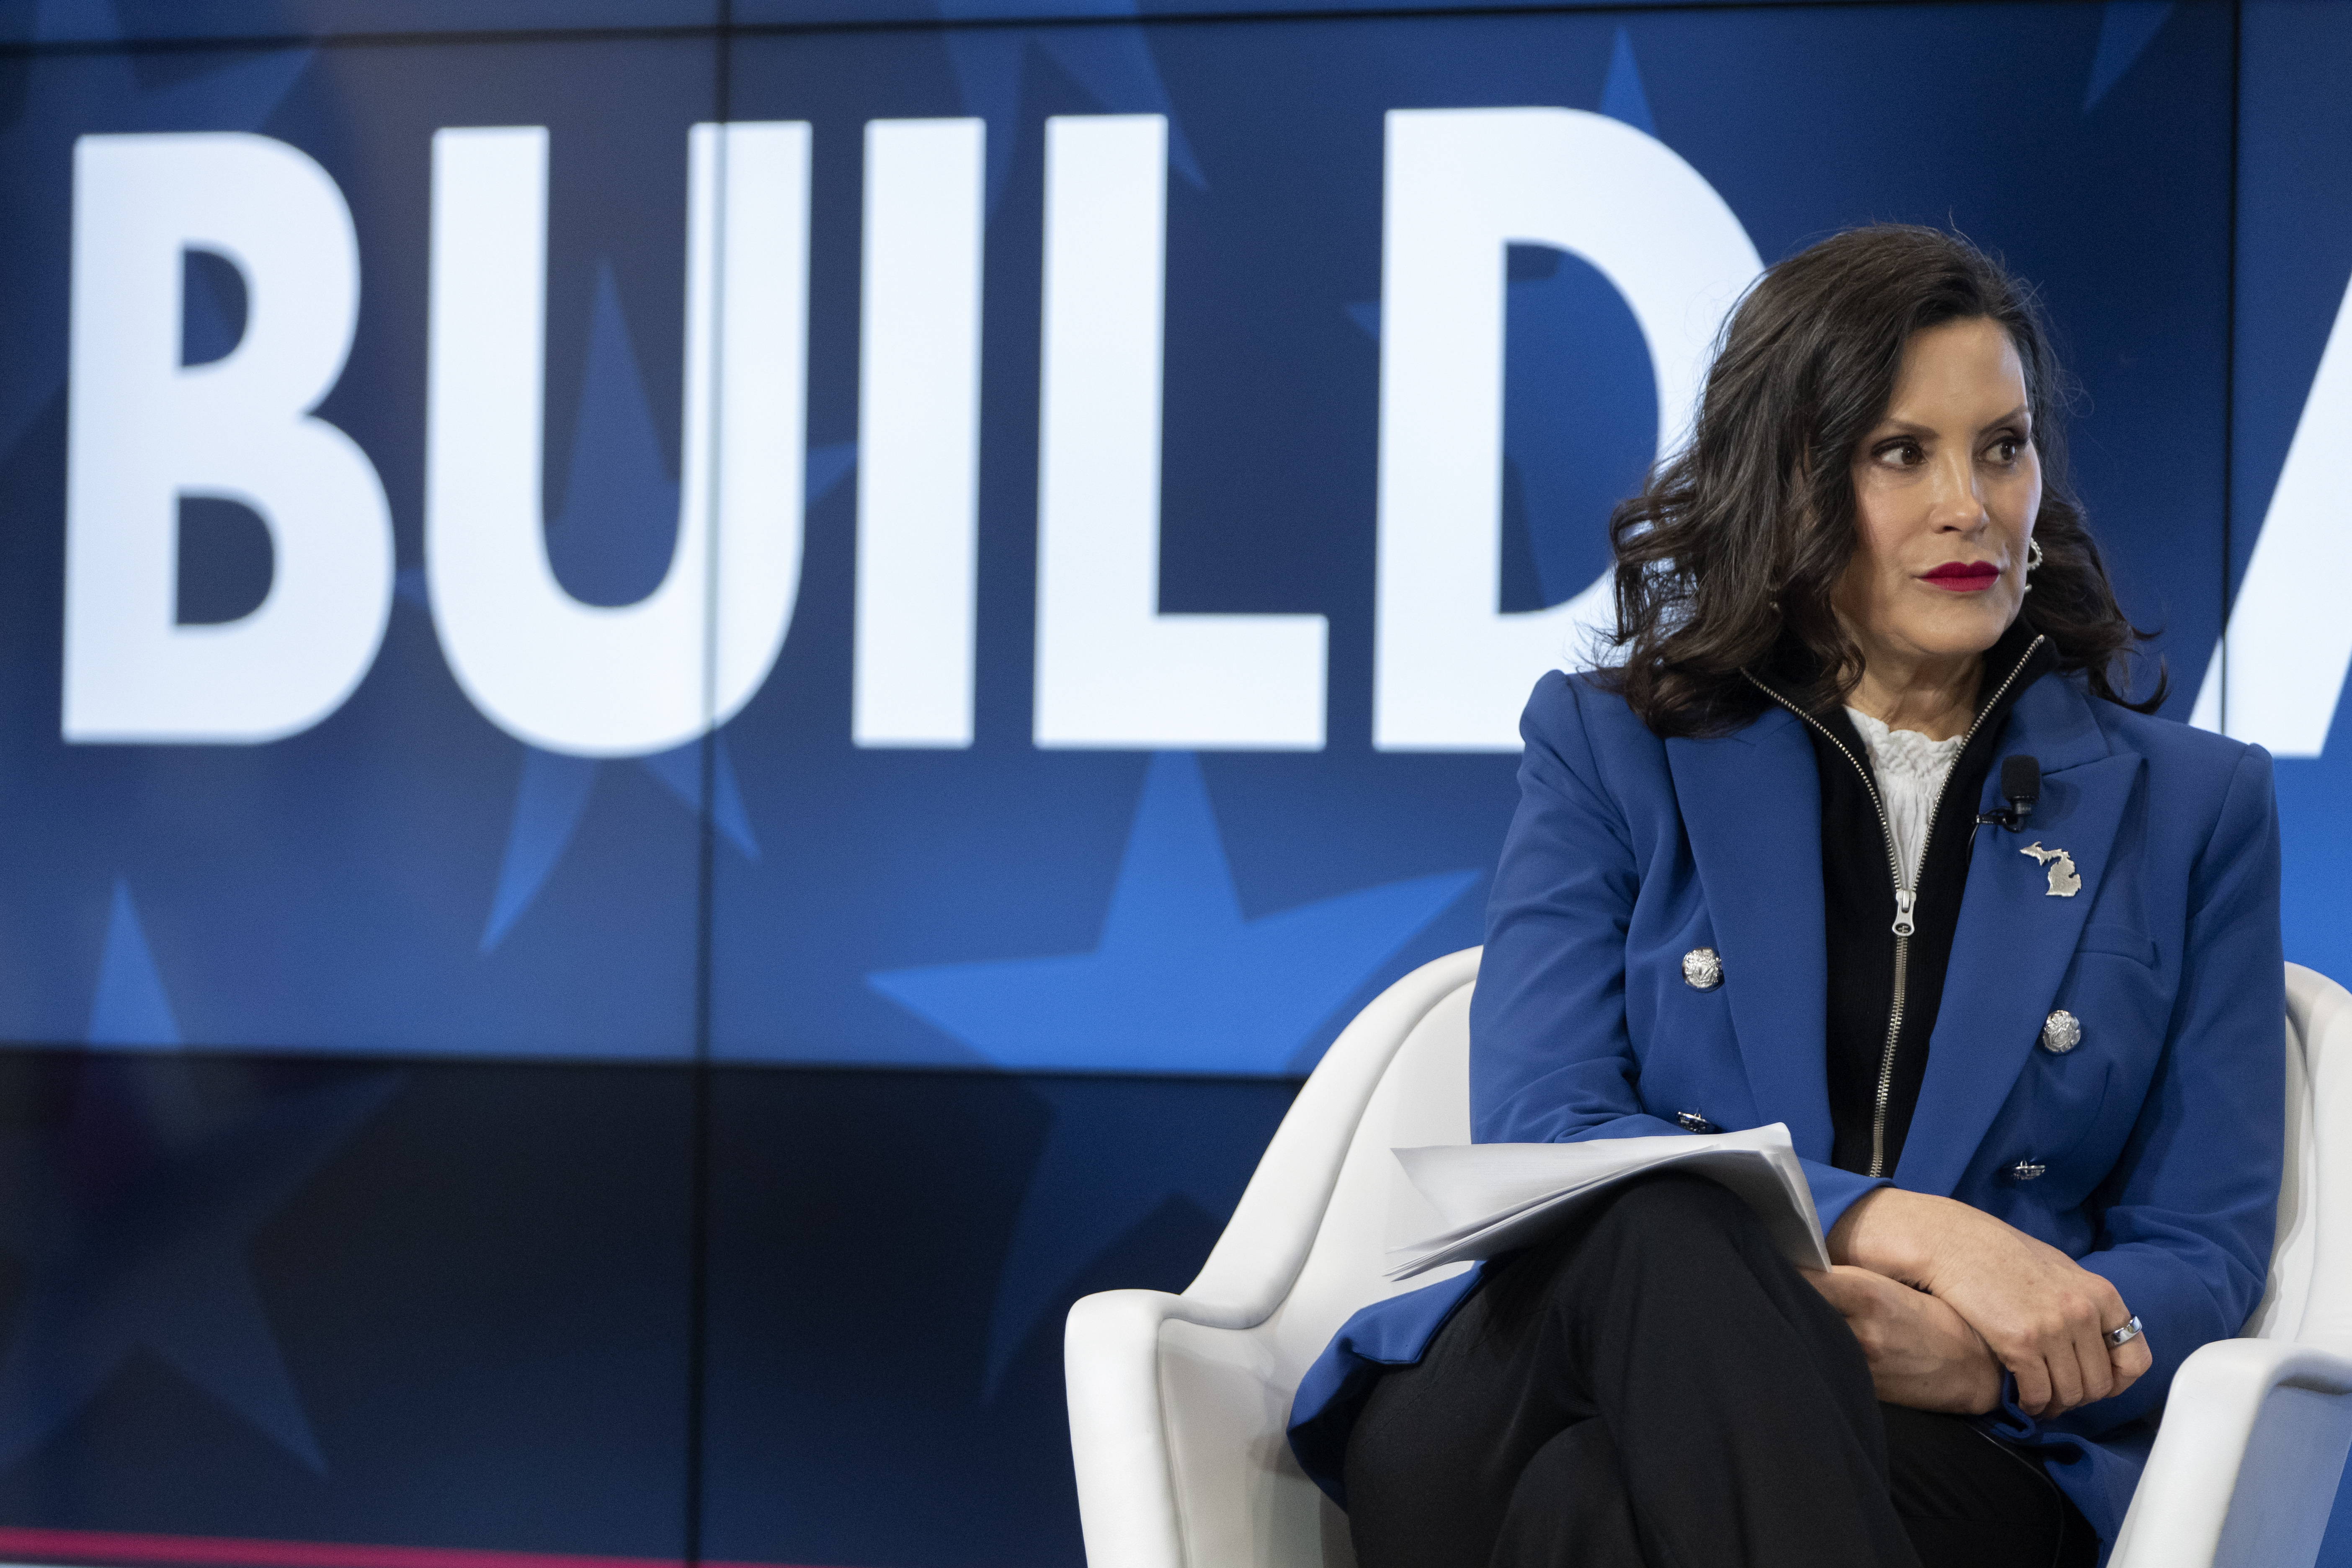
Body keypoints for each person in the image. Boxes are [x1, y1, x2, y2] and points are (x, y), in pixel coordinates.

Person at [1285, 225, 2284, 1568]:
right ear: (1793, 480)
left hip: (1946, 1439)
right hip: (1534, 1382)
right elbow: (1546, 1124)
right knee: (1657, 1214)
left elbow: (2203, 1246)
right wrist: (1903, 1231)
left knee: (1588, 1509)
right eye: (1900, 453)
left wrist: (1981, 1364)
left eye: (2004, 446)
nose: (1970, 507)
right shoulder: (1614, 746)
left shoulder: (2197, 807)